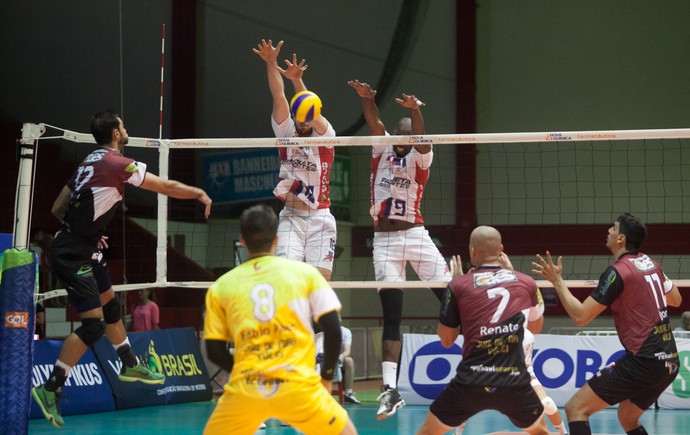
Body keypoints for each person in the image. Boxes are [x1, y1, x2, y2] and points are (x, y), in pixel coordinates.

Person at [31, 110, 213, 428]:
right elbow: (166, 186)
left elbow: (58, 207)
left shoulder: (87, 162)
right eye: (123, 126)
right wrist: (197, 192)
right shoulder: (118, 165)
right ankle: (50, 389)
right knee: (93, 327)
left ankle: (129, 364)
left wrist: (85, 230)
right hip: (73, 256)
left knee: (112, 307)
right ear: (116, 133)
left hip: (85, 247)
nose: (126, 130)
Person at [202, 204, 357, 435]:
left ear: (242, 240)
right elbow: (333, 331)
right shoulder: (306, 274)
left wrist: (246, 372)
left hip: (247, 389)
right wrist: (325, 378)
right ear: (276, 239)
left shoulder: (221, 286)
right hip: (298, 387)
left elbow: (214, 351)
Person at [348, 79, 451, 419]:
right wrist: (368, 100)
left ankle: (484, 366)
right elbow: (375, 122)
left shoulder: (422, 157)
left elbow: (421, 137)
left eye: (409, 133)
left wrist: (415, 112)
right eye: (400, 133)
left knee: (453, 301)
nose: (405, 138)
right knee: (392, 314)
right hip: (385, 242)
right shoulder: (382, 150)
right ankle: (390, 391)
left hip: (417, 235)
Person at [532, 213, 682, 435]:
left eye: (613, 228)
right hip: (669, 361)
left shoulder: (618, 272)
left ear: (621, 238)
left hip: (643, 362)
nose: (608, 231)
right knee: (627, 417)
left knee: (576, 409)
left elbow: (580, 316)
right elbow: (676, 300)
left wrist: (557, 281)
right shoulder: (652, 264)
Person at [415, 226, 548, 435]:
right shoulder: (527, 283)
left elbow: (447, 341)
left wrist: (454, 295)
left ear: (472, 251)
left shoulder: (459, 285)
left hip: (471, 382)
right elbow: (535, 328)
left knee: (425, 433)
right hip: (513, 381)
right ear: (501, 249)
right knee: (541, 432)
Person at [253, 39, 337, 280]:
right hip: (291, 216)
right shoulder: (286, 131)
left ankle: (317, 319)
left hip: (320, 217)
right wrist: (271, 62)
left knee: (320, 284)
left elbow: (309, 106)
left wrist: (297, 81)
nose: (301, 121)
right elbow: (279, 96)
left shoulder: (325, 135)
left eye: (306, 117)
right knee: (286, 278)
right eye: (298, 117)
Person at [315, 323, 361, 404]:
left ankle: (349, 394)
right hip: (322, 360)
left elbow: (347, 351)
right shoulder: (319, 335)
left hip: (338, 359)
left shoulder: (346, 332)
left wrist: (341, 356)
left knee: (349, 361)